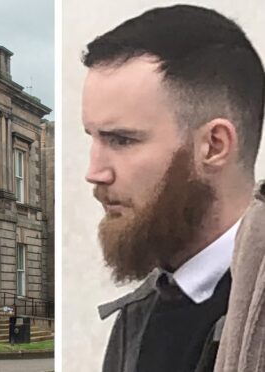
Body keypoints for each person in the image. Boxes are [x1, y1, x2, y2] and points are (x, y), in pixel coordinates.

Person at [80, 5, 265, 372]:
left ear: (213, 146)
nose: (94, 172)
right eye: (93, 138)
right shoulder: (139, 314)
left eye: (121, 140)